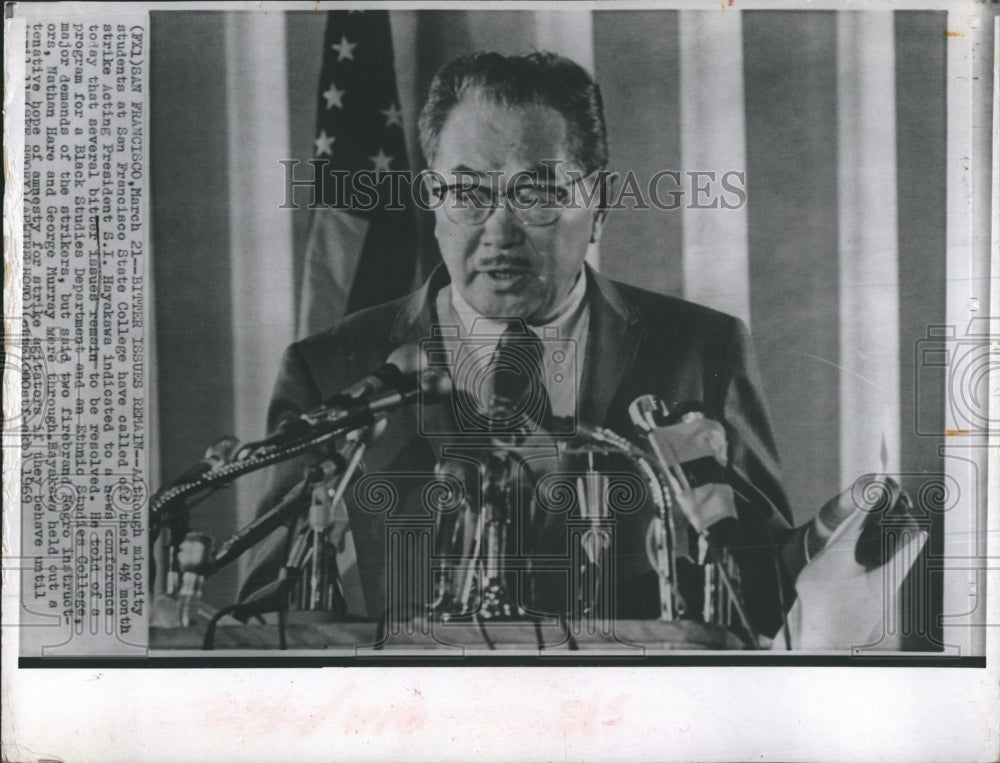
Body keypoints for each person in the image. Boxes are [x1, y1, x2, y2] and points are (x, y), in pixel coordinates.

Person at [240, 51, 809, 639]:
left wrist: (833, 550)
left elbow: (764, 596)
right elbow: (268, 614)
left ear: (600, 205)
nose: (499, 232)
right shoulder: (331, 366)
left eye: (536, 194)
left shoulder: (700, 349)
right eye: (467, 193)